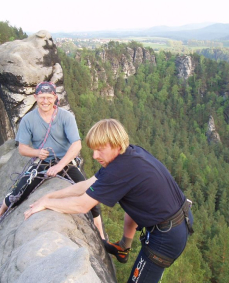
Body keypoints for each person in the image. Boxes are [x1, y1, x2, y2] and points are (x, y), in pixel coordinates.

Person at [24, 119, 193, 283]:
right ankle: (124, 247)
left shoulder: (119, 170)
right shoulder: (130, 153)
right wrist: (50, 196)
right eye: (93, 149)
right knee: (132, 199)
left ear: (117, 145)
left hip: (166, 236)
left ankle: (124, 248)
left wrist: (46, 204)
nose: (95, 155)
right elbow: (86, 185)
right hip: (179, 218)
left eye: (100, 149)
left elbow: (82, 205)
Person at [0, 81, 105, 240]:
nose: (45, 101)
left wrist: (59, 166)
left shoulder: (65, 117)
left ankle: (99, 229)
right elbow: (22, 148)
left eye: (49, 97)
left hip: (65, 162)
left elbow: (76, 145)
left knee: (90, 191)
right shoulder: (28, 120)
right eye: (42, 97)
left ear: (55, 98)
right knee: (20, 190)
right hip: (42, 163)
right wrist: (36, 152)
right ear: (35, 97)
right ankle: (1, 210)